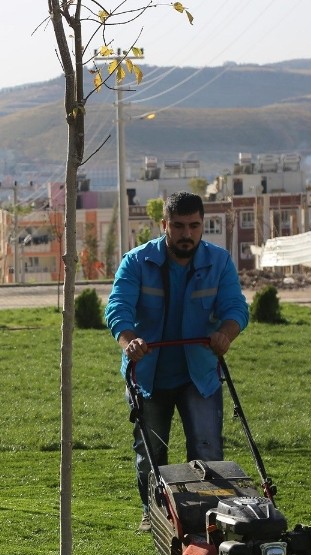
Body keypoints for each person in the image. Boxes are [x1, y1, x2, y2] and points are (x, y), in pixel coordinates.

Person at [105, 191, 249, 532]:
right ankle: (153, 512)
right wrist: (129, 341)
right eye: (179, 226)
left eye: (195, 226)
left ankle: (208, 517)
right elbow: (117, 308)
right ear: (164, 225)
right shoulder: (137, 262)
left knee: (207, 448)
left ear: (203, 225)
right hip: (148, 374)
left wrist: (226, 334)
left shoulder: (219, 262)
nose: (187, 234)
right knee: (151, 451)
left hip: (198, 374)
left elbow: (236, 308)